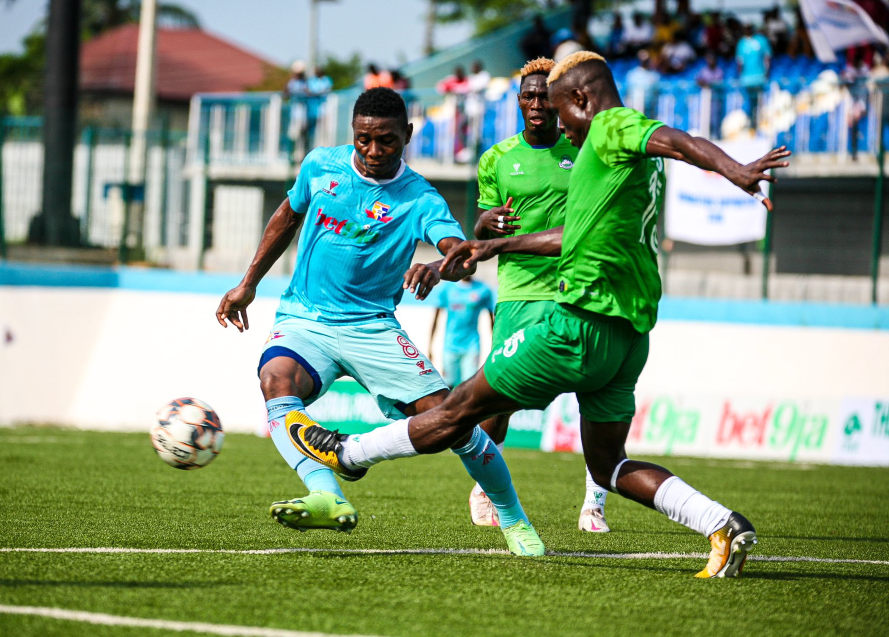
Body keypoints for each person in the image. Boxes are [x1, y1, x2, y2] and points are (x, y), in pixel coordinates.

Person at [289, 51, 792, 579]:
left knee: (463, 405)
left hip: (575, 325)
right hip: (627, 337)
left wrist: (735, 169)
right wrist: (491, 246)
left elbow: (677, 138)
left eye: (560, 111)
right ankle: (723, 523)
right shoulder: (631, 167)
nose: (562, 130)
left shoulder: (608, 126)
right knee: (608, 465)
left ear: (580, 99)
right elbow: (574, 235)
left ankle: (348, 454)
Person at [216, 87, 544, 556]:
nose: (372, 151)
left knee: (452, 422)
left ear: (407, 135)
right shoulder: (320, 166)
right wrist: (248, 282)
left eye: (386, 140)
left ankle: (513, 518)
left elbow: (459, 255)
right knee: (275, 379)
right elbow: (287, 216)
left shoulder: (419, 198)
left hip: (372, 327)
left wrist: (441, 264)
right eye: (363, 139)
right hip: (305, 319)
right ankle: (326, 493)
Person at [470, 56, 612, 533]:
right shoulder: (495, 159)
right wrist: (483, 223)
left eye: (542, 96)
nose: (535, 104)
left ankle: (594, 502)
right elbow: (483, 230)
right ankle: (487, 486)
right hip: (518, 293)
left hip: (579, 289)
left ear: (559, 101)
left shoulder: (585, 149)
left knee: (594, 393)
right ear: (518, 101)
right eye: (527, 96)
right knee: (500, 396)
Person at [429, 275, 495, 389]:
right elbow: (435, 320)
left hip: (472, 345)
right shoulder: (447, 288)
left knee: (468, 386)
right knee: (448, 384)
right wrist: (430, 347)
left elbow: (492, 322)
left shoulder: (483, 290)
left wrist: (495, 347)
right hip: (450, 345)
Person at [735, 24, 772, 129]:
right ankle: (751, 125)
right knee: (749, 105)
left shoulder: (761, 40)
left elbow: (767, 57)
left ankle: (761, 126)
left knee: (761, 104)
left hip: (760, 78)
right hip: (746, 80)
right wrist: (740, 77)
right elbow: (739, 62)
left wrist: (767, 73)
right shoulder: (741, 43)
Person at [626, 50, 661, 117]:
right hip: (635, 107)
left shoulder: (654, 76)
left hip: (650, 108)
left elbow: (656, 92)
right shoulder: (632, 74)